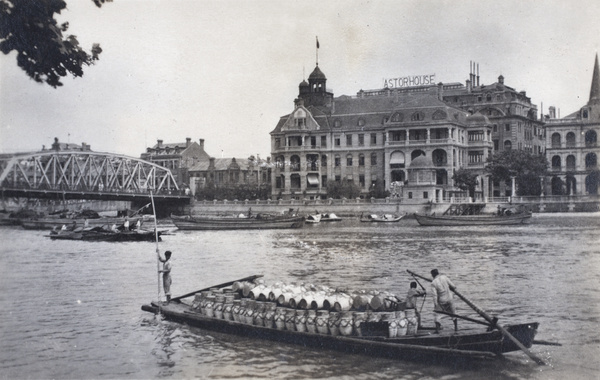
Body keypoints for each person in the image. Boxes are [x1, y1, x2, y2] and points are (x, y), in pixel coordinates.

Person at [430, 268, 457, 333]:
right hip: (450, 298)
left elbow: (434, 296)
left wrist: (435, 305)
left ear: (433, 275)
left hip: (442, 300)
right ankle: (456, 328)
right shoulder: (444, 277)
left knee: (437, 314)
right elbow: (453, 286)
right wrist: (449, 287)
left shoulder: (433, 283)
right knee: (453, 313)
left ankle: (437, 330)